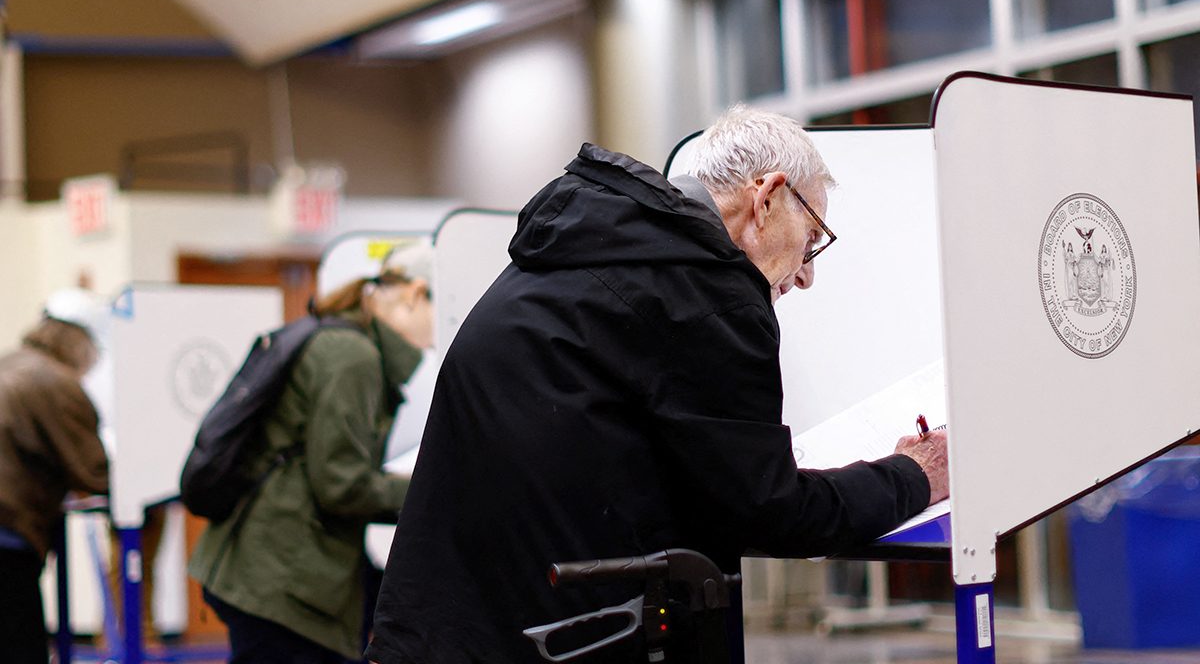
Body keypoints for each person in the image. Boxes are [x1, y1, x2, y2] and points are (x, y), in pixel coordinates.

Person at [365, 105, 949, 664]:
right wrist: (913, 475)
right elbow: (770, 512)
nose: (806, 273)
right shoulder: (702, 298)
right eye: (814, 235)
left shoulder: (585, 251)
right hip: (555, 638)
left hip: (443, 626)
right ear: (767, 197)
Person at [189, 241, 435, 664]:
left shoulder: (344, 342)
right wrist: (431, 490)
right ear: (415, 295)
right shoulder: (353, 356)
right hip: (280, 579)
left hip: (268, 567)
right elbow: (340, 485)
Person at [0, 290, 110, 664]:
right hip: (8, 535)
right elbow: (95, 471)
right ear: (81, 343)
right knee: (21, 649)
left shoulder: (10, 363)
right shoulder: (57, 383)